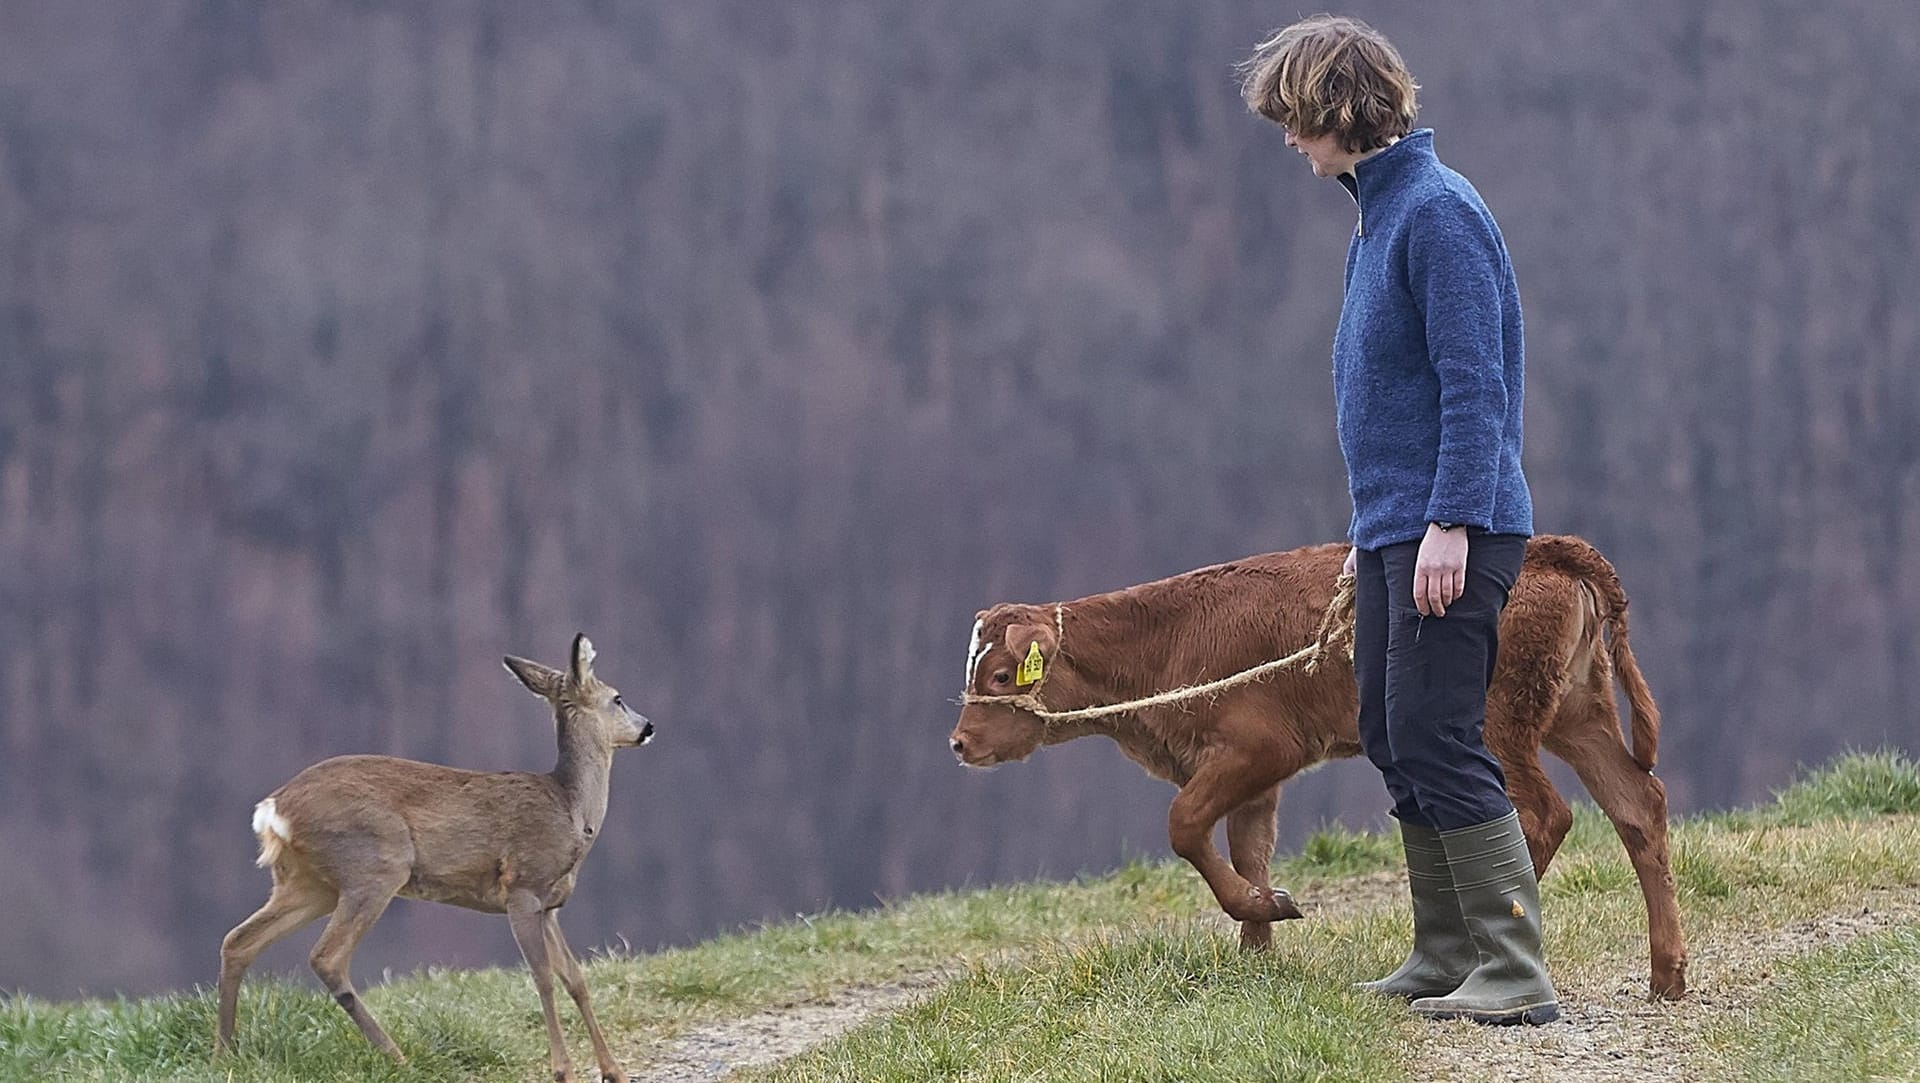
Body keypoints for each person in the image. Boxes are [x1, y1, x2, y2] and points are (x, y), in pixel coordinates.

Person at [1239, 15, 1558, 1026]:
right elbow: (1389, 404)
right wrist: (1370, 542)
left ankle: (1515, 967)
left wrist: (1453, 522)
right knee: (1387, 727)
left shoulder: (1438, 214)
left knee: (1437, 731)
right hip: (1395, 532)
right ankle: (1445, 951)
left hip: (1456, 526)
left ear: (1337, 106)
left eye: (1294, 118)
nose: (1289, 140)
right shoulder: (1378, 216)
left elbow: (1476, 390)